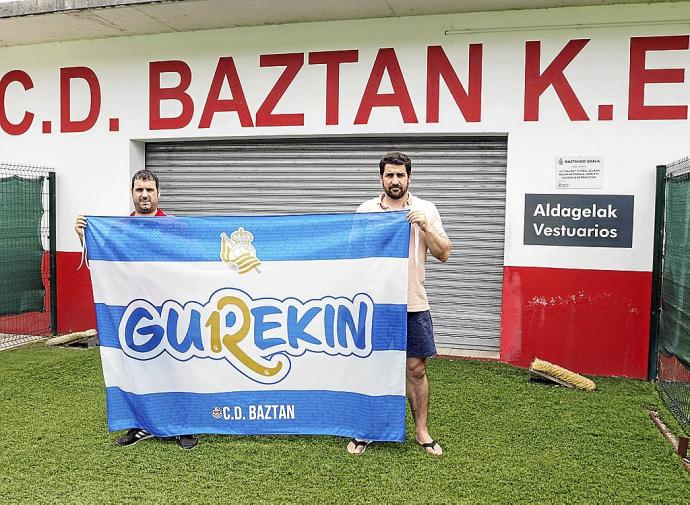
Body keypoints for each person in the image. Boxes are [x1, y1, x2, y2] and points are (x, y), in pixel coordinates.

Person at [75, 169, 198, 450]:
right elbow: (104, 266)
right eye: (139, 190)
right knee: (138, 370)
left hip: (171, 313)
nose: (144, 195)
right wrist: (85, 236)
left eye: (149, 190)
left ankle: (184, 425)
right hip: (135, 316)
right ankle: (140, 425)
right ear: (132, 194)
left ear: (158, 194)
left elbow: (194, 266)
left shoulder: (175, 228)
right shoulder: (119, 230)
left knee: (178, 369)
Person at [348, 152, 451, 457]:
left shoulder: (425, 209)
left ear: (410, 177)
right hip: (376, 304)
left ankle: (421, 431)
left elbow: (444, 253)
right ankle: (368, 430)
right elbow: (353, 253)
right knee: (372, 368)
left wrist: (425, 227)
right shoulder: (366, 210)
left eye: (400, 175)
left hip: (413, 302)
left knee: (415, 369)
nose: (395, 180)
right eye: (389, 175)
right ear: (381, 178)